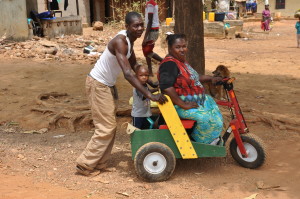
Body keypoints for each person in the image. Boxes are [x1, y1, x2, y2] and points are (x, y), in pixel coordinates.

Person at [76, 12, 167, 176]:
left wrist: (150, 82)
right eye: (135, 25)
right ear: (127, 27)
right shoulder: (120, 41)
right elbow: (128, 73)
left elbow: (134, 65)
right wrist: (149, 95)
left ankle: (99, 163)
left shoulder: (130, 43)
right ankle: (85, 164)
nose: (140, 28)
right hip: (98, 85)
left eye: (141, 25)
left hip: (106, 86)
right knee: (106, 127)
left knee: (109, 126)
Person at [158, 34, 223, 144]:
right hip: (179, 105)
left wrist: (212, 78)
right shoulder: (169, 64)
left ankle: (213, 140)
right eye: (178, 47)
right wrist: (183, 104)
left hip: (195, 101)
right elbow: (167, 88)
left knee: (217, 118)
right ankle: (200, 143)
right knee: (205, 119)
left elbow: (195, 77)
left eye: (184, 46)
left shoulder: (181, 62)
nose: (182, 50)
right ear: (170, 48)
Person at [131, 65, 159, 129]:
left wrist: (156, 89)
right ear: (136, 76)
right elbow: (144, 95)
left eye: (146, 75)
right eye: (141, 75)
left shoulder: (144, 85)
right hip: (138, 115)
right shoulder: (138, 87)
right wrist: (154, 97)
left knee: (144, 129)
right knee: (137, 130)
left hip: (145, 113)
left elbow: (148, 91)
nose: (144, 77)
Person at [142, 0, 163, 76]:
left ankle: (163, 60)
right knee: (147, 50)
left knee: (147, 51)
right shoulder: (150, 3)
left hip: (152, 30)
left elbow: (150, 21)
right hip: (152, 30)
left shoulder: (150, 4)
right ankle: (150, 71)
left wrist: (144, 37)